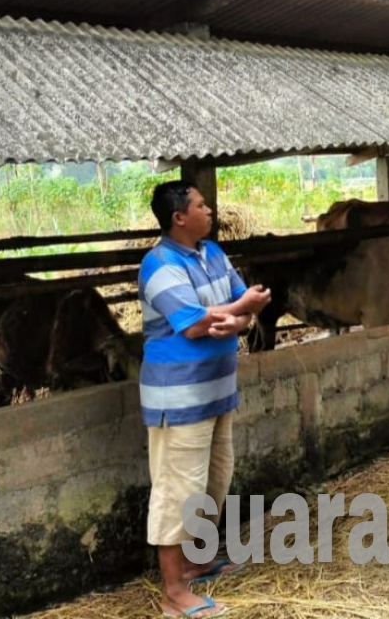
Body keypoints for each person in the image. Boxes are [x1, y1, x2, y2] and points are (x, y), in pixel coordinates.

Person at [139, 180, 272, 618]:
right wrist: (238, 312)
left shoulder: (213, 254)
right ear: (179, 217)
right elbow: (194, 324)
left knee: (214, 481)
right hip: (178, 398)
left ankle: (197, 561)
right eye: (200, 205)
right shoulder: (158, 264)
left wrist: (236, 317)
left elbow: (240, 306)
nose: (209, 209)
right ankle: (174, 592)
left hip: (218, 391)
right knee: (179, 490)